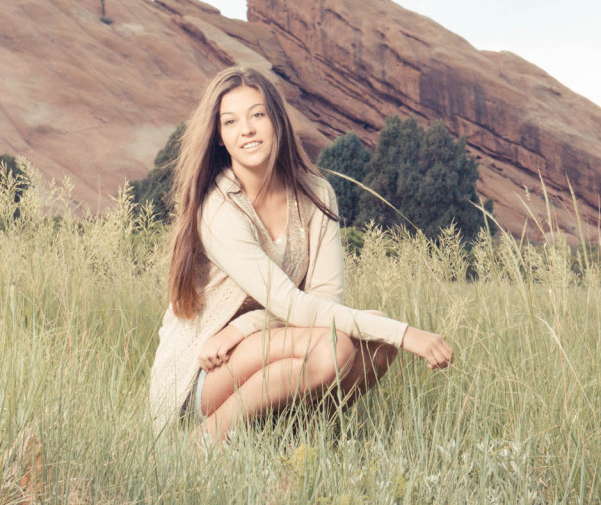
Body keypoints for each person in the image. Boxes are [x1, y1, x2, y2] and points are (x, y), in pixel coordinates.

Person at [148, 66, 453, 442]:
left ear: (277, 121)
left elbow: (324, 300)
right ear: (220, 139)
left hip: (256, 346)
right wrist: (407, 334)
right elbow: (293, 306)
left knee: (376, 344)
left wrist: (243, 326)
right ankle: (207, 439)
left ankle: (295, 438)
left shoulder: (316, 194)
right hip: (201, 371)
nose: (246, 130)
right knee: (333, 347)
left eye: (257, 115)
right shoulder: (219, 208)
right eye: (230, 122)